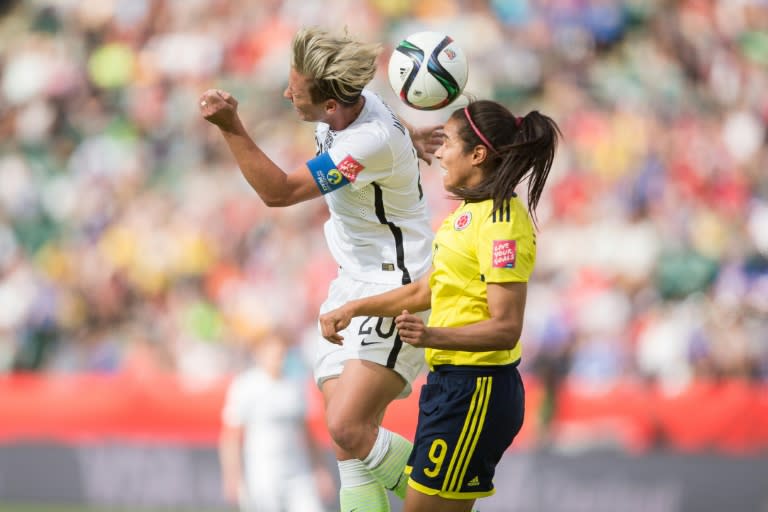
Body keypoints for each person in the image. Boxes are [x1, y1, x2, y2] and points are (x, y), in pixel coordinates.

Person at [200, 26, 443, 512]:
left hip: (397, 282)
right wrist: (409, 136)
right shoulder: (356, 106)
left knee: (348, 428)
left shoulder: (364, 140)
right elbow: (381, 125)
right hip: (351, 277)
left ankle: (450, 500)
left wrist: (231, 126)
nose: (287, 93)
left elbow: (280, 193)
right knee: (347, 444)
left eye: (297, 89)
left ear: (332, 106)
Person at [320, 99, 562, 512]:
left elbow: (506, 327)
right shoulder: (467, 214)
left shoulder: (502, 222)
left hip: (478, 389)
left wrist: (432, 334)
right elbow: (427, 291)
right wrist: (355, 307)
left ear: (478, 154)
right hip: (450, 386)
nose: (440, 153)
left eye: (448, 143)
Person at [219, 328, 333, 512]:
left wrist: (320, 469)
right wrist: (233, 476)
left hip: (299, 474)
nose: (277, 357)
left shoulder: (295, 386)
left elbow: (306, 433)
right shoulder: (246, 386)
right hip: (263, 475)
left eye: (281, 352)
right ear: (259, 354)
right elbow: (231, 436)